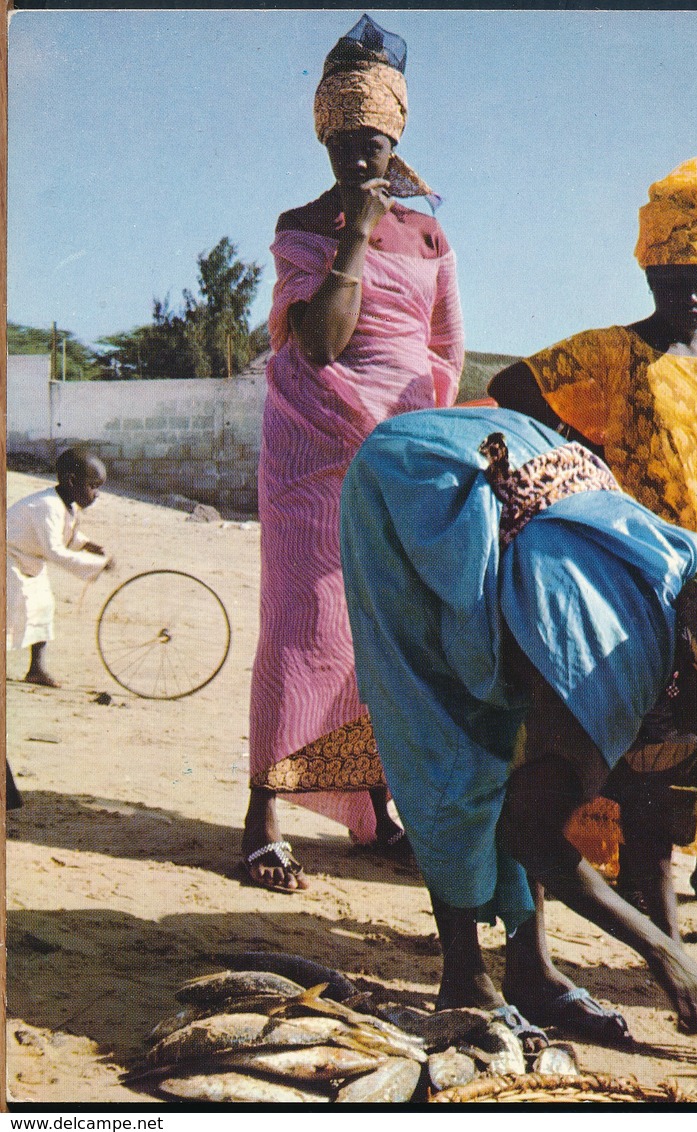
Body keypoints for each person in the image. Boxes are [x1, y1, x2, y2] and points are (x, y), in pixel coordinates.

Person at [340, 406, 697, 1040]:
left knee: (531, 740)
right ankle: (464, 975)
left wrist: (681, 954)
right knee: (454, 744)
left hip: (529, 479)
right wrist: (665, 958)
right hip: (419, 485)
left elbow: (649, 833)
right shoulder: (616, 660)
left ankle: (530, 971)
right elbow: (534, 831)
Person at [488, 158, 697, 926]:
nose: (688, 295)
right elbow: (514, 384)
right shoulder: (613, 352)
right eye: (675, 279)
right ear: (650, 273)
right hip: (636, 564)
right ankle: (621, 864)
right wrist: (580, 448)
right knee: (637, 713)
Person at [243, 14, 464, 891]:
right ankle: (263, 813)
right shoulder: (305, 224)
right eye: (342, 145)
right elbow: (323, 344)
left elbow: (446, 350)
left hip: (399, 456)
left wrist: (421, 439)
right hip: (312, 452)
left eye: (370, 144)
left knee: (386, 641)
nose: (357, 161)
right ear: (324, 139)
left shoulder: (434, 235)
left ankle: (374, 814)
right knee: (303, 630)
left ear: (395, 136)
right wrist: (356, 234)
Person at [7, 448, 111, 688]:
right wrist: (97, 565)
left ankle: (36, 670)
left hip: (28, 559)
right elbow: (55, 551)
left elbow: (66, 535)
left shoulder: (64, 504)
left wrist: (88, 545)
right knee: (11, 611)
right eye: (93, 486)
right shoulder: (46, 506)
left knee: (43, 607)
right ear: (72, 481)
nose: (96, 494)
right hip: (9, 557)